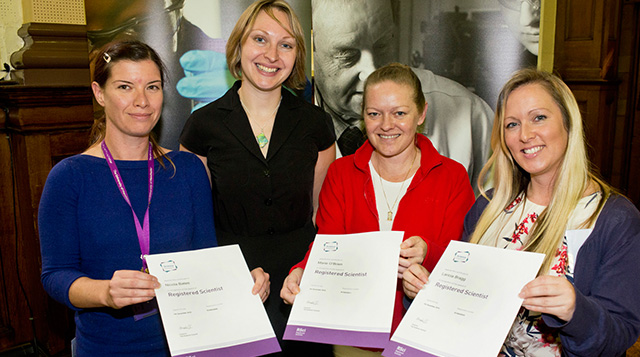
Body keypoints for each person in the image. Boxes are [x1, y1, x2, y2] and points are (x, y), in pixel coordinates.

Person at [38, 40, 270, 356]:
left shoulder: (187, 170)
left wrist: (242, 283)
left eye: (152, 87)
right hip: (107, 348)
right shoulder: (70, 176)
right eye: (125, 87)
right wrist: (105, 292)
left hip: (191, 342)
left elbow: (205, 259)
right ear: (99, 93)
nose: (142, 101)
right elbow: (55, 275)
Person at [403, 69, 640, 356]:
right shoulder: (488, 207)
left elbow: (619, 335)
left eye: (539, 118)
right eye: (511, 124)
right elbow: (463, 304)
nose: (525, 135)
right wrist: (423, 291)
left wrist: (575, 310)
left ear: (568, 123)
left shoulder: (615, 220)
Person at [281, 63, 475, 356]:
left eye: (399, 113)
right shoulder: (341, 173)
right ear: (363, 117)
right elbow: (329, 246)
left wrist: (428, 252)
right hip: (354, 336)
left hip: (424, 334)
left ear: (421, 113)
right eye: (374, 114)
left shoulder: (452, 176)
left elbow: (463, 260)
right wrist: (302, 272)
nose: (386, 125)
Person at [179, 1, 336, 355]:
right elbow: (195, 223)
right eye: (260, 39)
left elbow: (320, 215)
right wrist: (233, 274)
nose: (272, 54)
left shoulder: (316, 124)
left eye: (286, 44)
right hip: (230, 286)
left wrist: (305, 270)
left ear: (297, 55)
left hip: (301, 287)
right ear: (238, 47)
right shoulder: (202, 126)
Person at [311, 0, 493, 192]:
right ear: (310, 49)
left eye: (382, 46)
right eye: (347, 55)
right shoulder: (285, 120)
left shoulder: (470, 115)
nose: (372, 72)